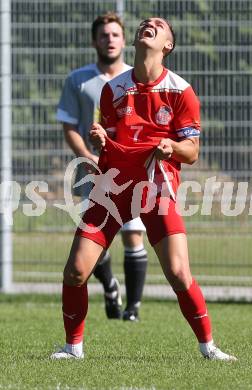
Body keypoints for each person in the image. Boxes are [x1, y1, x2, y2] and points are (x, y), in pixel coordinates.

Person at [51, 17, 236, 361]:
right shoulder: (113, 90)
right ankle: (72, 348)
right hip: (114, 186)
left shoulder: (182, 91)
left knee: (180, 274)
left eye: (159, 25)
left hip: (156, 187)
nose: (149, 24)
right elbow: (112, 142)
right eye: (145, 23)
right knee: (76, 270)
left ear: (168, 45)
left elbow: (192, 152)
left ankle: (209, 347)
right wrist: (102, 139)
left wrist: (172, 147)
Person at [56, 13, 148, 322]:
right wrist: (88, 156)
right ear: (95, 41)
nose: (110, 39)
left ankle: (132, 309)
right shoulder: (78, 80)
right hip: (93, 174)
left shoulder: (139, 80)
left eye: (115, 34)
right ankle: (109, 285)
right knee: (94, 243)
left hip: (130, 174)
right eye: (104, 35)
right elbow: (69, 125)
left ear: (125, 41)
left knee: (133, 234)